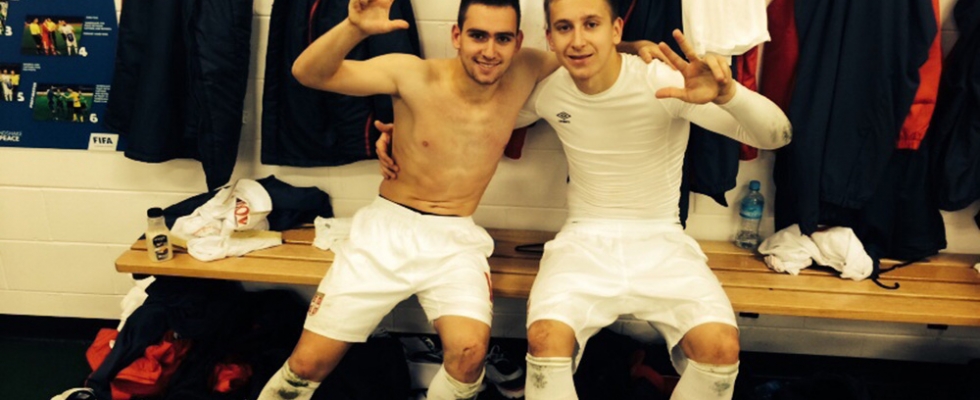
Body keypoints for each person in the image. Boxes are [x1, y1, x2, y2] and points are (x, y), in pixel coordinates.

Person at [380, 0, 792, 398]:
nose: (577, 40)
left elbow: (776, 136)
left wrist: (730, 95)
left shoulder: (660, 80)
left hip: (661, 239)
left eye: (591, 24)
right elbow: (473, 121)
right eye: (564, 27)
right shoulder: (549, 90)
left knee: (720, 349)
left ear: (616, 29)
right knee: (544, 339)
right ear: (550, 37)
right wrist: (404, 134)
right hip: (584, 241)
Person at [256, 1, 667, 399]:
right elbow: (308, 73)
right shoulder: (412, 74)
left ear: (518, 41)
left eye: (502, 38)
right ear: (457, 35)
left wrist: (634, 45)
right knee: (307, 366)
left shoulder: (526, 67)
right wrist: (354, 28)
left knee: (470, 355)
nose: (490, 50)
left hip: (455, 238)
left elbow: (578, 51)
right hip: (387, 231)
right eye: (478, 36)